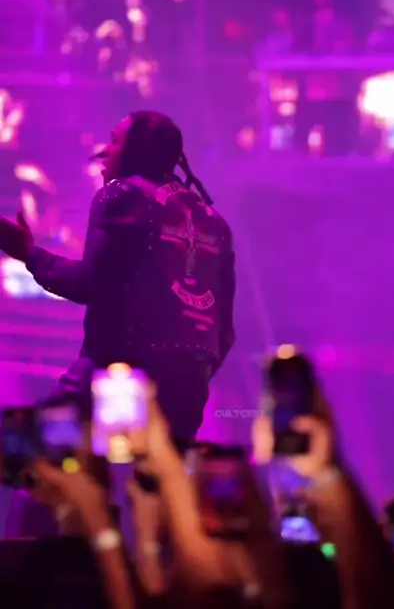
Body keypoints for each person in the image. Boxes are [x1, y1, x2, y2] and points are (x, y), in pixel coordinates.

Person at [0, 110, 236, 443]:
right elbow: (224, 330)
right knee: (155, 473)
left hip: (118, 372)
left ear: (136, 149)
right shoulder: (214, 221)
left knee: (33, 448)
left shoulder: (123, 193)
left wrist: (28, 253)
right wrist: (190, 373)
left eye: (114, 141)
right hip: (190, 386)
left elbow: (89, 284)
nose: (104, 151)